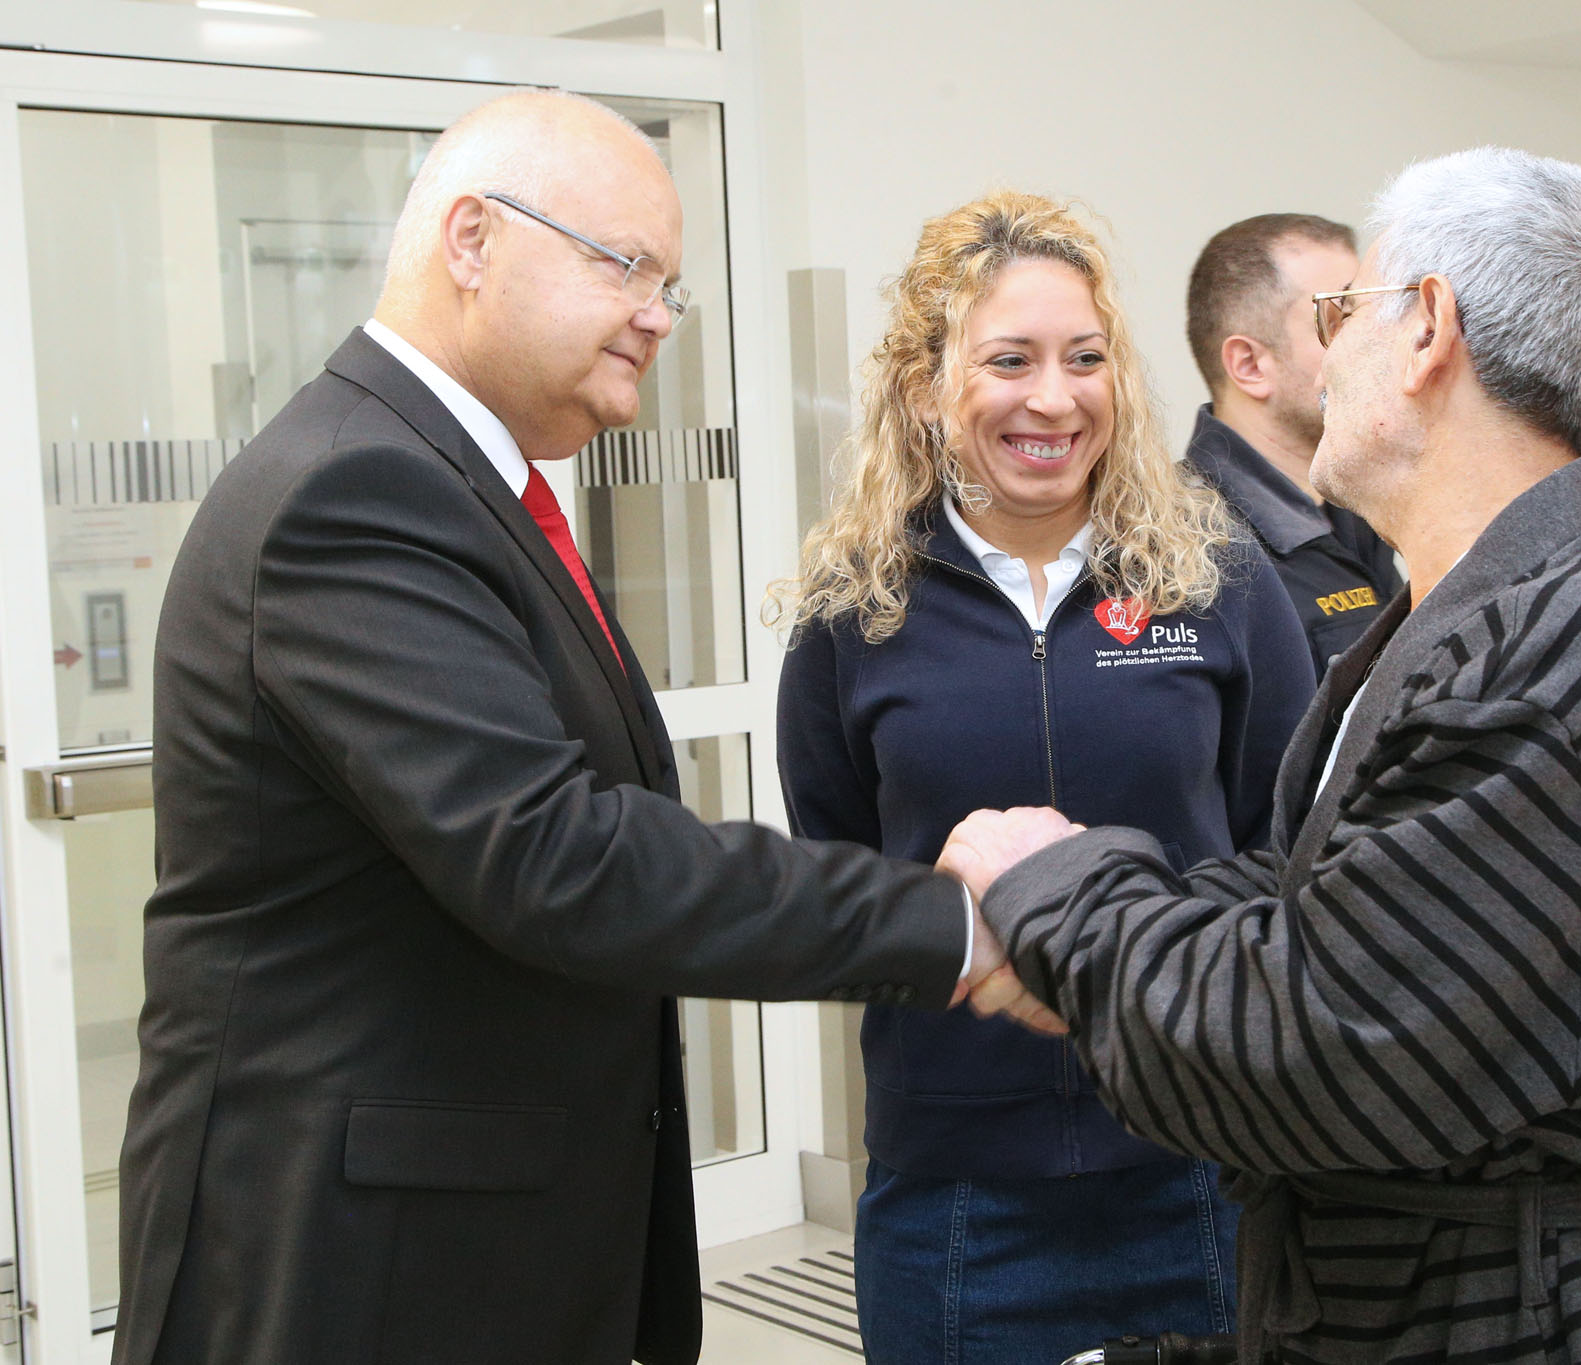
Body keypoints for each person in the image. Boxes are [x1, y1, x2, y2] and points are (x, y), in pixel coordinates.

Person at [113, 90, 1053, 1365]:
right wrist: (953, 921)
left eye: (669, 284)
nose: (656, 315)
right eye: (624, 266)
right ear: (470, 241)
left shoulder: (462, 484)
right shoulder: (358, 489)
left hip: (473, 1230)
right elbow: (555, 854)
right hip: (364, 1261)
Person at [951, 149, 1581, 1363]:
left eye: (1343, 316)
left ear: (1424, 332)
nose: (1325, 356)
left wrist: (1053, 886)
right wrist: (1084, 934)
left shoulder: (1543, 652)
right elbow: (1323, 910)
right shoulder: (1491, 609)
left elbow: (1326, 1054)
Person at [771, 191, 1316, 1365]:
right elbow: (846, 875)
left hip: (1197, 1172)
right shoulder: (853, 611)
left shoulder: (1213, 575)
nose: (1053, 399)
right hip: (956, 1195)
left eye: (1084, 359)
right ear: (926, 386)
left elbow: (1289, 841)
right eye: (1007, 360)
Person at [1184, 213, 1402, 679]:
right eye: (1334, 320)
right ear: (1250, 366)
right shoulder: (1189, 549)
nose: (1369, 345)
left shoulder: (1366, 507)